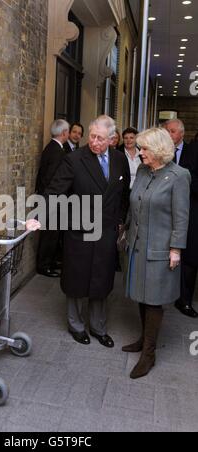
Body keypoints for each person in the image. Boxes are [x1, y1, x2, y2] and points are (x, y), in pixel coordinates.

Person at [44, 115, 131, 347]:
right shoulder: (74, 159)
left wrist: (120, 220)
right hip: (80, 230)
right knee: (76, 277)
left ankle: (98, 327)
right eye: (91, 136)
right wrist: (39, 217)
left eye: (100, 138)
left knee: (101, 279)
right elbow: (55, 191)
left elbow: (124, 195)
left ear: (112, 139)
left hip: (107, 231)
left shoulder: (120, 160)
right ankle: (76, 325)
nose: (94, 142)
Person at [123, 127, 191, 379]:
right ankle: (144, 339)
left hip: (161, 249)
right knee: (141, 295)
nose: (140, 153)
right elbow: (135, 203)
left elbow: (182, 217)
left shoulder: (178, 176)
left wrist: (176, 248)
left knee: (154, 300)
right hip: (138, 245)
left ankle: (149, 354)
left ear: (159, 150)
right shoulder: (142, 170)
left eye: (144, 149)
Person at [164, 119, 198, 318]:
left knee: (188, 257)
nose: (169, 134)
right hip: (162, 212)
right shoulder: (159, 152)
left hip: (189, 211)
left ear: (181, 134)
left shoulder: (193, 152)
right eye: (167, 130)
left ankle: (184, 300)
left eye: (173, 131)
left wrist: (183, 184)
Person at [36, 119, 69, 277]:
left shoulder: (53, 148)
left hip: (49, 198)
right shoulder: (56, 151)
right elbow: (51, 178)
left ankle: (50, 261)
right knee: (49, 234)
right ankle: (44, 266)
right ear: (64, 133)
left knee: (52, 233)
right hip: (51, 200)